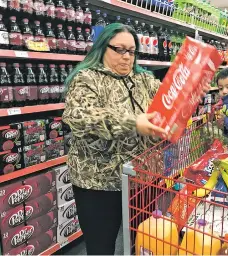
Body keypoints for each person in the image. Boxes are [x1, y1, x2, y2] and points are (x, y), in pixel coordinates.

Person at [62, 23, 210, 254]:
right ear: (102, 48)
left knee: (143, 240)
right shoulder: (86, 79)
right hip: (99, 183)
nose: (126, 57)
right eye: (119, 49)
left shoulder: (145, 80)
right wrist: (133, 122)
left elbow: (169, 108)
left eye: (131, 51)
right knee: (101, 246)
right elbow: (80, 117)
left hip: (142, 180)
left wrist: (190, 96)